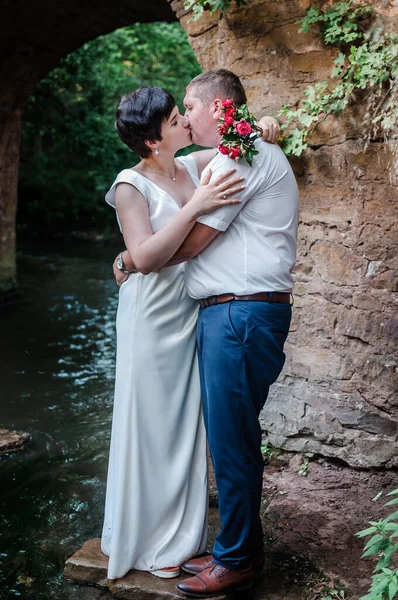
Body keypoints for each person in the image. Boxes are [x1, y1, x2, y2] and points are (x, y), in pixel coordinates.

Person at [118, 69, 299, 598]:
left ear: (218, 109)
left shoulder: (238, 156)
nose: (184, 118)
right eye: (176, 117)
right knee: (231, 435)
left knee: (231, 440)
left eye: (188, 110)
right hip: (235, 313)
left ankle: (237, 559)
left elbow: (191, 246)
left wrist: (133, 257)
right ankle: (240, 550)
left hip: (239, 314)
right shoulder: (231, 154)